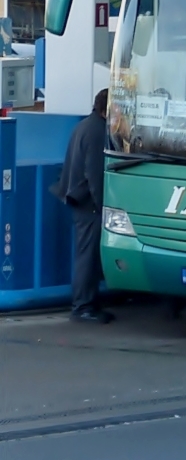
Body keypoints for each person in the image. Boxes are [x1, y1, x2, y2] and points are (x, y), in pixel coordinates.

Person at [56, 89, 113, 324]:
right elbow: (95, 175)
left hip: (79, 200)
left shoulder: (85, 127)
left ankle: (87, 303)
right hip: (88, 204)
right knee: (87, 257)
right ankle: (83, 306)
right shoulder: (97, 132)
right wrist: (104, 207)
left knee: (86, 255)